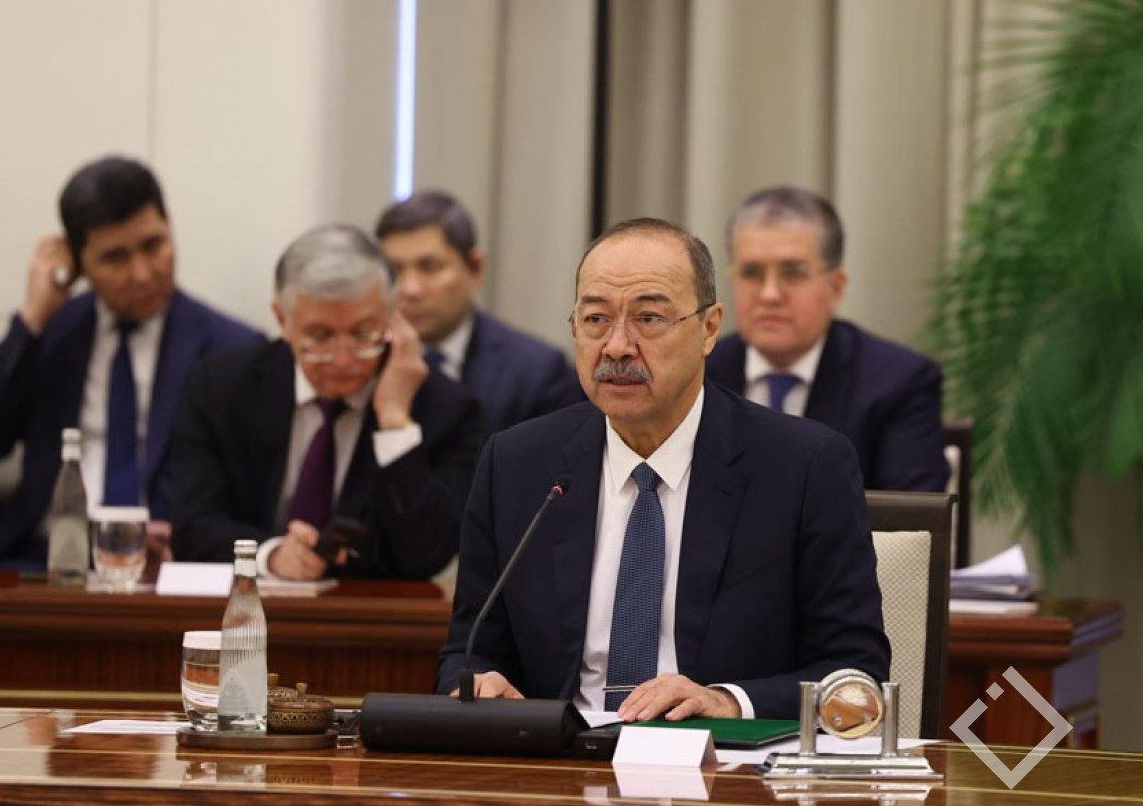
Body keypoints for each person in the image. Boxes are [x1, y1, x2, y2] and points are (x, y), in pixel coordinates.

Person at [437, 218, 890, 722]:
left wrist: (726, 701)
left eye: (648, 318)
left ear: (709, 329)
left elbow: (856, 676)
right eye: (595, 319)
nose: (616, 346)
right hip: (562, 757)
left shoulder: (803, 467)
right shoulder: (517, 465)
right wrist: (480, 683)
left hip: (723, 760)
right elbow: (469, 651)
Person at [0, 155, 260, 570]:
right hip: (42, 563)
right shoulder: (54, 334)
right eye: (115, 257)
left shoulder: (232, 348)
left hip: (167, 569)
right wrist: (32, 319)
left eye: (153, 245)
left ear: (170, 228)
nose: (142, 273)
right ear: (79, 263)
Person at [169, 224, 482, 582]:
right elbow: (192, 524)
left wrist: (395, 422)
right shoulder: (223, 386)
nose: (343, 359)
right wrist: (270, 556)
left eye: (363, 333)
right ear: (283, 320)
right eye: (320, 337)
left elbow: (428, 555)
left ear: (391, 317)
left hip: (368, 613)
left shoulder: (444, 407)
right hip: (246, 604)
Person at [706, 185, 949, 492]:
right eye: (752, 273)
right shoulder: (697, 373)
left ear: (836, 287)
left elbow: (911, 514)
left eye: (793, 273)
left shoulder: (898, 382)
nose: (769, 294)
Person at [375, 190, 584, 434]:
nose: (410, 289)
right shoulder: (363, 361)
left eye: (430, 267)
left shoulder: (538, 373)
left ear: (475, 268)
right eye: (394, 271)